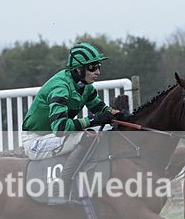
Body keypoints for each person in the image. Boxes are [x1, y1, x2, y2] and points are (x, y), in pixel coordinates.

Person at [21, 42, 124, 201]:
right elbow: (61, 128)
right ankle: (60, 190)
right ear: (78, 69)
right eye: (92, 68)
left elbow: (100, 108)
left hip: (53, 136)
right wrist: (93, 120)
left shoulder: (86, 86)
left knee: (103, 133)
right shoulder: (60, 88)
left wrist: (118, 115)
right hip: (36, 140)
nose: (97, 72)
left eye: (98, 66)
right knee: (86, 136)